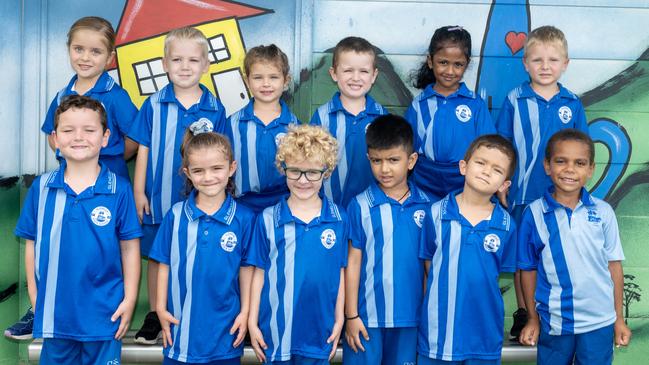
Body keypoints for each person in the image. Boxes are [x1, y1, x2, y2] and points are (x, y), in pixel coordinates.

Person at [14, 95, 141, 364]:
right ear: (55, 138)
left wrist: (129, 300)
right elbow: (31, 244)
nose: (78, 137)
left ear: (105, 137)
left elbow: (129, 248)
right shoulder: (42, 188)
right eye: (68, 130)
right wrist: (35, 296)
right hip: (56, 315)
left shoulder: (119, 189)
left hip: (105, 316)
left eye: (89, 130)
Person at [128, 26, 227, 345]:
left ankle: (188, 309)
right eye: (177, 59)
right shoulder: (154, 105)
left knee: (196, 254)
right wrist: (139, 191)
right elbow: (142, 149)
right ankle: (156, 313)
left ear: (205, 65)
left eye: (193, 60)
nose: (185, 66)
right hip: (159, 199)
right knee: (158, 257)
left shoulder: (214, 108)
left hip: (199, 202)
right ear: (164, 64)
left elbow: (223, 155)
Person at [496, 25, 589, 340]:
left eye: (552, 60)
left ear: (565, 63)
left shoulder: (572, 103)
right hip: (524, 195)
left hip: (561, 197)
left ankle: (553, 313)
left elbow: (583, 148)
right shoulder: (515, 99)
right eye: (537, 60)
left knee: (556, 253)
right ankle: (525, 314)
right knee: (526, 258)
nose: (545, 67)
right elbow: (503, 144)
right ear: (525, 63)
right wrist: (503, 182)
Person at [518, 129, 631, 364]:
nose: (570, 169)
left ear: (590, 170)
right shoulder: (534, 213)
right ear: (547, 166)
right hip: (555, 321)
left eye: (579, 163)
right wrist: (532, 318)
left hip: (600, 322)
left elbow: (614, 267)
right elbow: (527, 270)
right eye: (561, 161)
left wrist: (619, 319)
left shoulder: (603, 212)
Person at [149, 127, 254, 365]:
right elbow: (163, 263)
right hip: (180, 333)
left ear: (232, 168)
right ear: (187, 173)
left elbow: (248, 270)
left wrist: (245, 313)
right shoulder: (176, 216)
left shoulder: (244, 219)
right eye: (198, 171)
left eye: (217, 168)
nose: (208, 177)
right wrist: (160, 309)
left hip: (225, 335)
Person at [247, 125, 347, 364]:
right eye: (295, 171)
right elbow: (258, 274)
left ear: (326, 172)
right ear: (283, 169)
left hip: (319, 330)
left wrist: (340, 317)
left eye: (312, 172)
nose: (303, 180)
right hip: (275, 330)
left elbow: (340, 273)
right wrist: (252, 321)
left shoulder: (339, 218)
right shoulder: (268, 219)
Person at [417, 134, 517, 365]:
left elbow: (498, 272)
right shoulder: (435, 214)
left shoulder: (506, 225)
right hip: (437, 336)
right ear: (464, 166)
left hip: (484, 337)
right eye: (480, 163)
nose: (485, 171)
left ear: (504, 184)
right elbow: (429, 266)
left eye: (496, 169)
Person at [343, 114, 431, 364]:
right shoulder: (359, 206)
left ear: (411, 160)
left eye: (394, 160)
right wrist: (351, 316)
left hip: (411, 319)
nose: (385, 169)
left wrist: (427, 316)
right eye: (377, 161)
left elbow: (429, 269)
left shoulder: (427, 208)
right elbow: (353, 263)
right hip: (366, 319)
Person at [37, 16, 138, 181]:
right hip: (71, 177)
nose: (85, 58)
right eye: (78, 49)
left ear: (109, 58)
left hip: (109, 178)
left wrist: (110, 156)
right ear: (69, 49)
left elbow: (134, 139)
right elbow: (51, 133)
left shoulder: (115, 96)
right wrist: (72, 153)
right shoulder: (62, 96)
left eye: (95, 51)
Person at [405, 26, 496, 202]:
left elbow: (489, 148)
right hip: (424, 181)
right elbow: (407, 148)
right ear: (430, 61)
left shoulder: (475, 104)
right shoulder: (419, 105)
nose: (450, 71)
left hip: (464, 182)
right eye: (443, 62)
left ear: (466, 64)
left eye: (458, 64)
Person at [310, 36, 387, 207]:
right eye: (348, 70)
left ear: (374, 76)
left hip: (372, 208)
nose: (356, 77)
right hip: (330, 207)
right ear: (334, 74)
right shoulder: (322, 116)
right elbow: (310, 162)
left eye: (364, 71)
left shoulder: (382, 117)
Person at [225, 44, 299, 212]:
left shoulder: (296, 127)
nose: (266, 84)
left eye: (273, 77)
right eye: (258, 77)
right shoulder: (232, 124)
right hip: (242, 206)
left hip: (284, 204)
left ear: (286, 80)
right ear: (247, 80)